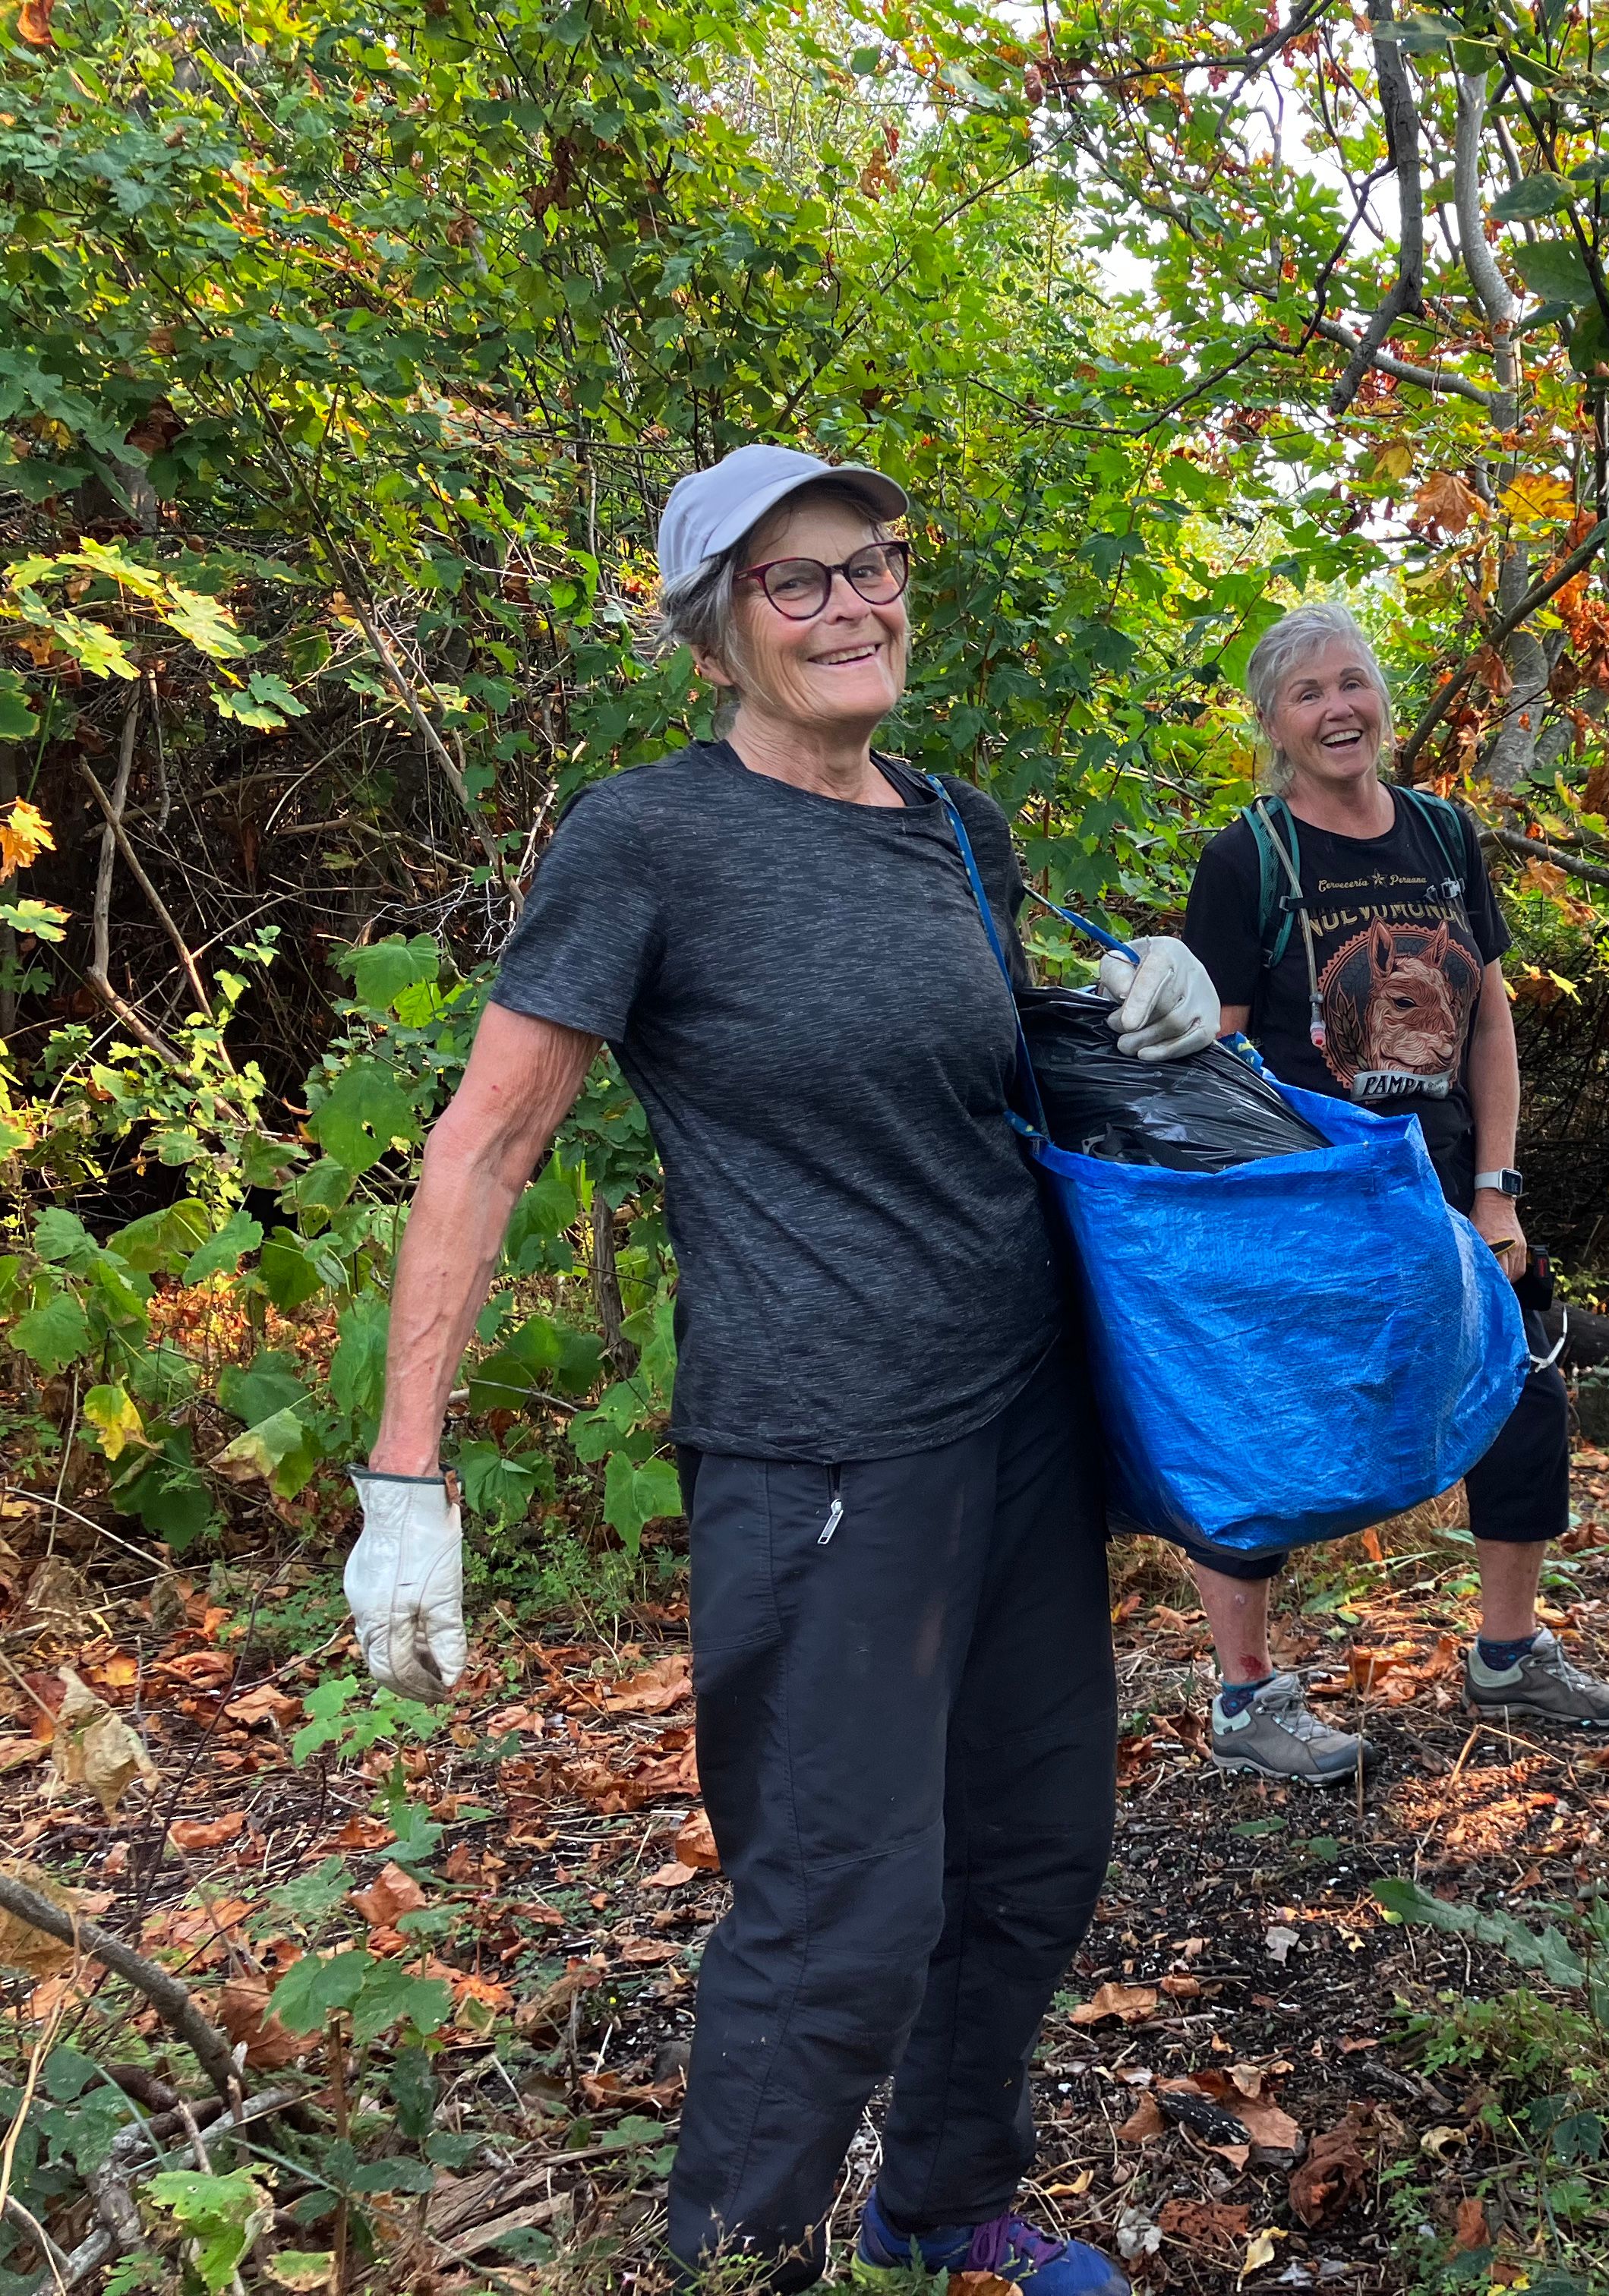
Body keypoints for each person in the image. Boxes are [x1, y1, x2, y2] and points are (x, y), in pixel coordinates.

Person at [337, 444, 1217, 2295]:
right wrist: (405, 1483)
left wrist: (1147, 1000)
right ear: (713, 630)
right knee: (838, 1919)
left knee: (1037, 1853)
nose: (853, 606)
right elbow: (484, 1147)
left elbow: (986, 1082)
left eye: (874, 564)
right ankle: (740, 2264)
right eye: (795, 581)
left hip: (1022, 1423)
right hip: (821, 1453)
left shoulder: (960, 827)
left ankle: (941, 2215)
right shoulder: (648, 839)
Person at [1174, 601, 1609, 1784]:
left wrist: (1497, 1189)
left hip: (1442, 1183)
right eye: (1308, 694)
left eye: (1354, 684)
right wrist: (1271, 1210)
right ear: (1272, 723)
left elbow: (1488, 1019)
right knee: (1261, 1426)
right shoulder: (1248, 859)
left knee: (1524, 1380)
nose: (1339, 710)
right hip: (1309, 1196)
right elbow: (1218, 1057)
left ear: (1382, 695)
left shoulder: (1442, 835)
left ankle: (1508, 1653)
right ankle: (1246, 1700)